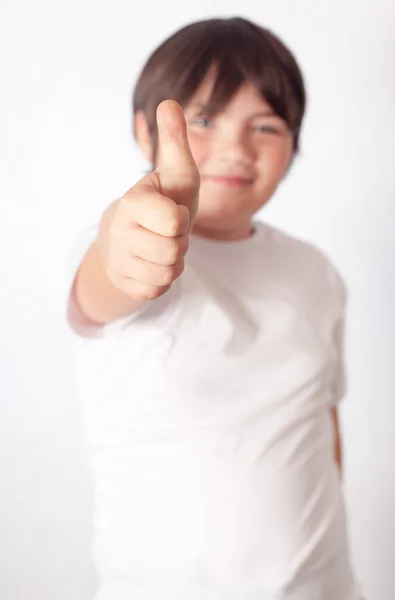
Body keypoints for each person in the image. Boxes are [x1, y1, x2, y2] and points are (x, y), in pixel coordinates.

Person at [67, 16, 362, 600]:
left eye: (266, 126)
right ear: (142, 130)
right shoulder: (127, 247)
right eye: (202, 119)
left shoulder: (316, 271)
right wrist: (126, 250)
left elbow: (321, 417)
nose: (235, 148)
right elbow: (109, 280)